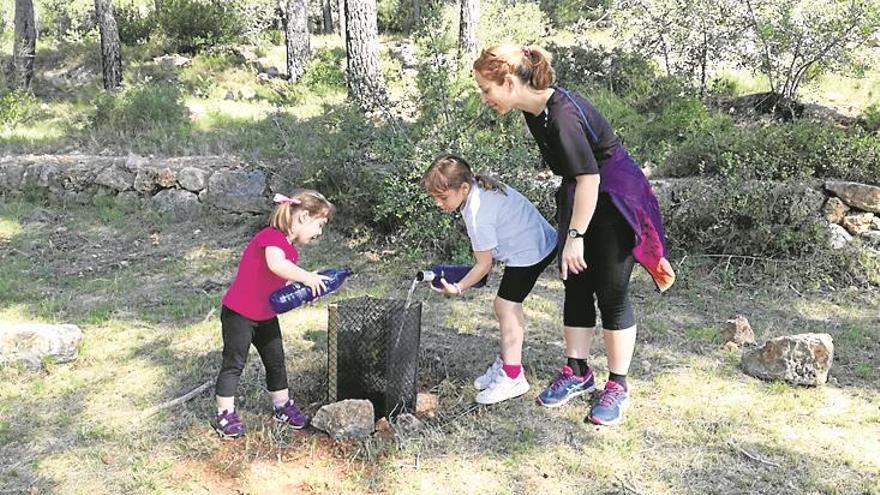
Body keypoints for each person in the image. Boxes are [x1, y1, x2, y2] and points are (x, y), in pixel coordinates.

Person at [472, 44, 675, 425]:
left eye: (487, 89)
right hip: (581, 195)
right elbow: (577, 179)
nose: (485, 99)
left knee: (611, 292)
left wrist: (575, 236)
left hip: (613, 200)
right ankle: (578, 371)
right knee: (576, 283)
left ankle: (618, 385)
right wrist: (574, 235)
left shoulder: (562, 115)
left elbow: (590, 177)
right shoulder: (535, 113)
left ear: (510, 82)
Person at [423, 154, 557, 405]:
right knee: (507, 305)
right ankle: (508, 359)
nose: (439, 204)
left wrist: (458, 288)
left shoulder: (476, 213)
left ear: (463, 188)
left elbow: (484, 265)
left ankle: (513, 376)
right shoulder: (478, 188)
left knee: (505, 306)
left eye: (442, 197)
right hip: (537, 241)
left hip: (532, 250)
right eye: (435, 198)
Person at [212, 190, 335, 438]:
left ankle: (282, 406)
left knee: (276, 361)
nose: (319, 232)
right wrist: (308, 277)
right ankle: (225, 414)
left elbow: (280, 285)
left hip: (265, 315)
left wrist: (303, 293)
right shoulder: (270, 238)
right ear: (302, 217)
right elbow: (276, 266)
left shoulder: (290, 250)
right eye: (319, 224)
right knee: (234, 364)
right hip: (239, 314)